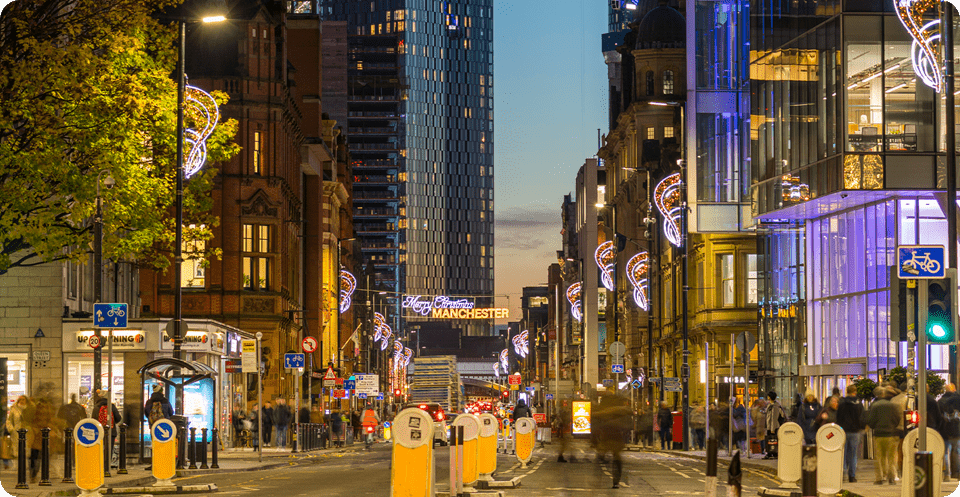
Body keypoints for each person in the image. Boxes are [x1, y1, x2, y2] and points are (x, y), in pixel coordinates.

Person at [865, 386, 900, 485]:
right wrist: (893, 426)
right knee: (892, 457)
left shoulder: (875, 406)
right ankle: (892, 477)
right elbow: (897, 419)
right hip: (891, 434)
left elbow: (870, 420)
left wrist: (874, 426)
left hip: (879, 434)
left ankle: (880, 478)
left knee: (880, 457)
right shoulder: (892, 405)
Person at [836, 384, 865, 482]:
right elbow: (862, 417)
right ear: (855, 391)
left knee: (843, 453)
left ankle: (843, 473)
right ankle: (852, 476)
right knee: (853, 454)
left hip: (843, 431)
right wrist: (862, 427)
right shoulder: (859, 403)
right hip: (855, 432)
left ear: (847, 392)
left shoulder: (842, 402)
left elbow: (838, 416)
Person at [939, 383, 960, 480]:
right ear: (954, 389)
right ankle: (957, 474)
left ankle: (947, 475)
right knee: (957, 452)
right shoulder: (958, 399)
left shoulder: (941, 401)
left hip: (945, 430)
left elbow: (938, 417)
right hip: (957, 430)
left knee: (946, 453)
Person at [764, 392, 785, 459]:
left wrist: (772, 428)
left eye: (768, 396)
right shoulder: (770, 404)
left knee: (774, 439)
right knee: (769, 440)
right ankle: (770, 452)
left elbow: (774, 418)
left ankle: (774, 452)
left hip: (773, 426)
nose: (767, 397)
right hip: (769, 426)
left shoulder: (775, 406)